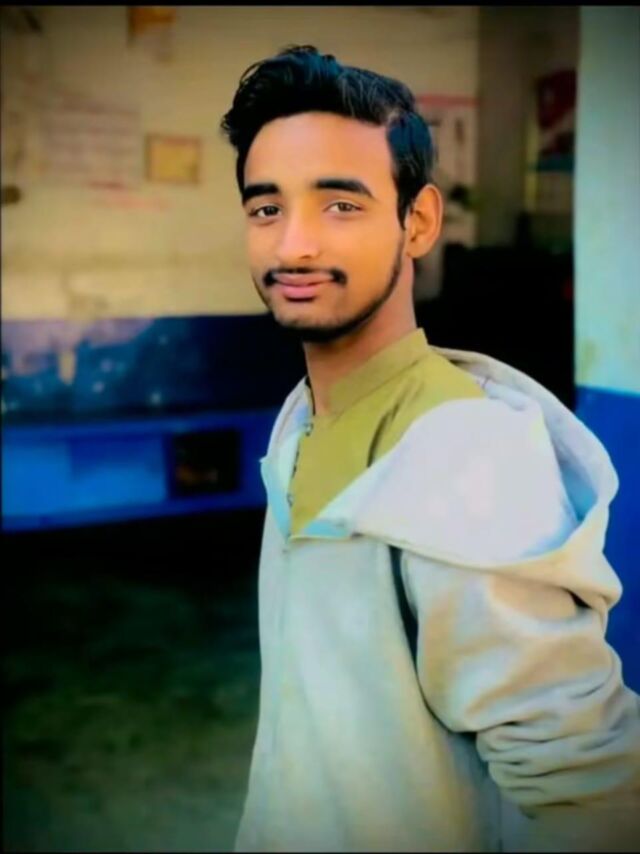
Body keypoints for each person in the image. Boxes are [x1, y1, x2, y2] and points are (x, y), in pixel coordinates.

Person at [220, 45, 640, 852]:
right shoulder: (299, 419)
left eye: (340, 205)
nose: (293, 245)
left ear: (417, 222)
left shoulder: (471, 460)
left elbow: (590, 791)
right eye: (266, 208)